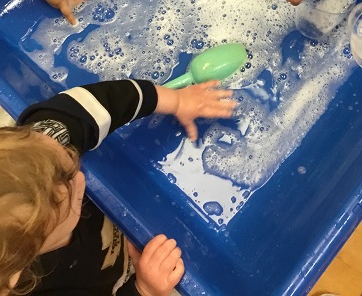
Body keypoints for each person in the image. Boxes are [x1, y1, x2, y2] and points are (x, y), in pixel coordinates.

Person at [0, 78, 237, 295]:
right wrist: (144, 289)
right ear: (17, 274)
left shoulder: (32, 152)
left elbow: (96, 104)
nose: (79, 175)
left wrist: (176, 100)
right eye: (70, 194)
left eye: (66, 163)